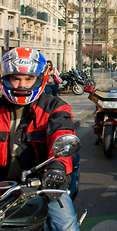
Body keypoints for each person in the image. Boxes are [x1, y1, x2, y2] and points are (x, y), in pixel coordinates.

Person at [0, 48, 79, 231]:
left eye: (29, 79)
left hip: (43, 183)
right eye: (16, 78)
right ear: (6, 78)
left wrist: (56, 169)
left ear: (40, 79)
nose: (22, 85)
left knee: (66, 227)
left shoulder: (55, 106)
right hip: (4, 184)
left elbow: (62, 133)